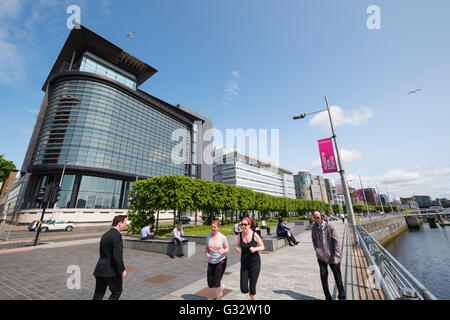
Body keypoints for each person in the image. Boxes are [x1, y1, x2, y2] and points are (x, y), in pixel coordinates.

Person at [311, 211, 345, 300]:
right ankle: (328, 297)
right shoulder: (314, 228)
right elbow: (314, 241)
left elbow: (337, 242)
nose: (315, 219)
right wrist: (317, 251)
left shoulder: (329, 226)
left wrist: (337, 256)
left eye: (317, 217)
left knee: (338, 278)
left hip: (332, 257)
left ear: (322, 217)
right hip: (321, 257)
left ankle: (342, 297)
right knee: (323, 278)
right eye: (314, 218)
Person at [93, 214, 127, 300]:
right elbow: (117, 255)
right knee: (116, 292)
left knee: (98, 294)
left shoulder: (105, 234)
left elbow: (103, 252)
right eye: (124, 223)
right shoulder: (117, 235)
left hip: (100, 269)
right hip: (111, 271)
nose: (125, 225)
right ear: (119, 223)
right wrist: (122, 269)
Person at [236, 217, 265, 300]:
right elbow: (238, 244)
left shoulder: (254, 235)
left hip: (254, 264)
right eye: (242, 224)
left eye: (245, 224)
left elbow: (263, 247)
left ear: (249, 225)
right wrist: (238, 248)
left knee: (252, 289)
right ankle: (251, 294)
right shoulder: (240, 234)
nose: (243, 226)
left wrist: (255, 249)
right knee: (244, 289)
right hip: (244, 264)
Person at [205, 221, 230, 300]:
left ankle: (218, 298)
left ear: (218, 228)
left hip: (221, 261)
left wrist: (223, 251)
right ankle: (220, 286)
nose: (213, 228)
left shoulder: (222, 237)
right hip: (211, 261)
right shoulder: (208, 237)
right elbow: (206, 248)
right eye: (212, 227)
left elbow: (227, 249)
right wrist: (207, 253)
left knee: (216, 284)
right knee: (210, 283)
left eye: (215, 227)